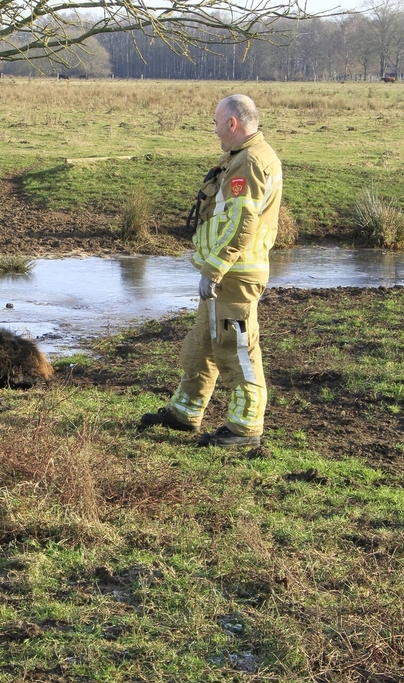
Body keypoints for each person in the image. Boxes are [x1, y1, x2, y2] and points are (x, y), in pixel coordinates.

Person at [139, 94, 282, 447]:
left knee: (236, 348)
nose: (215, 128)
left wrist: (214, 270)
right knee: (202, 343)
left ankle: (246, 428)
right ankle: (185, 411)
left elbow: (240, 222)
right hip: (229, 272)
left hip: (235, 274)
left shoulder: (249, 161)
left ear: (232, 122)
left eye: (217, 122)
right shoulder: (242, 156)